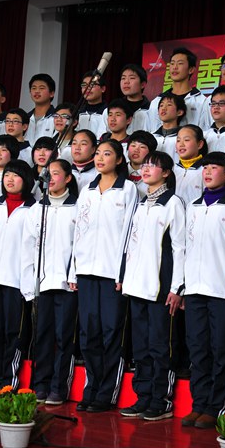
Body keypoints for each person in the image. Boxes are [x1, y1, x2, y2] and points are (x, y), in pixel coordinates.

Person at [68, 140, 139, 413]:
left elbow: (130, 234)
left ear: (119, 160)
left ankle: (107, 392)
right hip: (86, 271)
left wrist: (123, 272)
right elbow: (78, 231)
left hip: (112, 274)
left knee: (111, 333)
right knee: (89, 333)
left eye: (107, 154)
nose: (100, 158)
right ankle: (91, 388)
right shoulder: (87, 189)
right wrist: (74, 270)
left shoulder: (128, 189)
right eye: (97, 153)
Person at [182, 152, 225, 429]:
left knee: (221, 349)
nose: (208, 172)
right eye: (205, 168)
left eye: (214, 168)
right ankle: (198, 404)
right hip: (194, 289)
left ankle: (215, 406)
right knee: (197, 349)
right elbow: (185, 248)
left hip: (222, 291)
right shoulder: (194, 207)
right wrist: (183, 286)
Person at [118, 151, 186, 421]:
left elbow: (180, 248)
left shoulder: (173, 203)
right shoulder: (141, 203)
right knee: (141, 347)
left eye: (153, 166)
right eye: (144, 165)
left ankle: (161, 400)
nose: (146, 169)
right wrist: (123, 277)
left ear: (166, 173)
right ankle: (143, 397)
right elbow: (130, 244)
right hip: (136, 286)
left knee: (160, 346)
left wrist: (177, 287)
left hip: (160, 288)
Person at [21, 159, 79, 404]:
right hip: (41, 284)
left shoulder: (77, 207)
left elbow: (79, 246)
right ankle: (40, 384)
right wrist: (28, 284)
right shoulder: (37, 209)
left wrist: (73, 274)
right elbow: (27, 248)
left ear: (68, 178)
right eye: (49, 174)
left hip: (66, 285)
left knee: (64, 337)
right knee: (42, 335)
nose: (51, 178)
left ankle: (59, 387)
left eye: (57, 174)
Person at [0, 159, 36, 390]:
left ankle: (8, 380)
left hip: (17, 281)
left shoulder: (34, 209)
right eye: (7, 175)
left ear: (26, 180)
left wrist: (28, 282)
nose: (9, 179)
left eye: (15, 175)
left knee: (13, 333)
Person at [147, 47, 210, 130]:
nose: (175, 67)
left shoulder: (202, 102)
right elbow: (152, 131)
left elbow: (206, 131)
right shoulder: (157, 102)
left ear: (191, 69)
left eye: (180, 63)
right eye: (172, 63)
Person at [105, 64, 152, 133]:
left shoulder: (151, 110)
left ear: (142, 84)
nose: (126, 82)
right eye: (123, 78)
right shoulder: (112, 109)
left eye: (132, 78)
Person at [173, 125, 207, 206]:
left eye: (186, 140)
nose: (181, 144)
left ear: (200, 144)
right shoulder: (171, 169)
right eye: (178, 140)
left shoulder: (206, 170)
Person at [153, 92, 185, 162]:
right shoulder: (152, 136)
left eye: (169, 105)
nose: (163, 108)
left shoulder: (184, 137)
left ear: (179, 112)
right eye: (161, 105)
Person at [25, 73, 57, 143]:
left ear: (51, 93)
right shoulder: (25, 118)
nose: (37, 91)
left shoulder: (57, 118)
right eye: (34, 88)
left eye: (41, 88)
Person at [126, 131, 158, 198]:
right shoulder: (117, 171)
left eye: (142, 147)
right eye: (133, 145)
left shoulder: (156, 176)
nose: (136, 150)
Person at [77, 70, 108, 138]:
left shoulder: (108, 112)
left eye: (92, 84)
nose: (87, 88)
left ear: (103, 89)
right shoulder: (78, 112)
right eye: (84, 85)